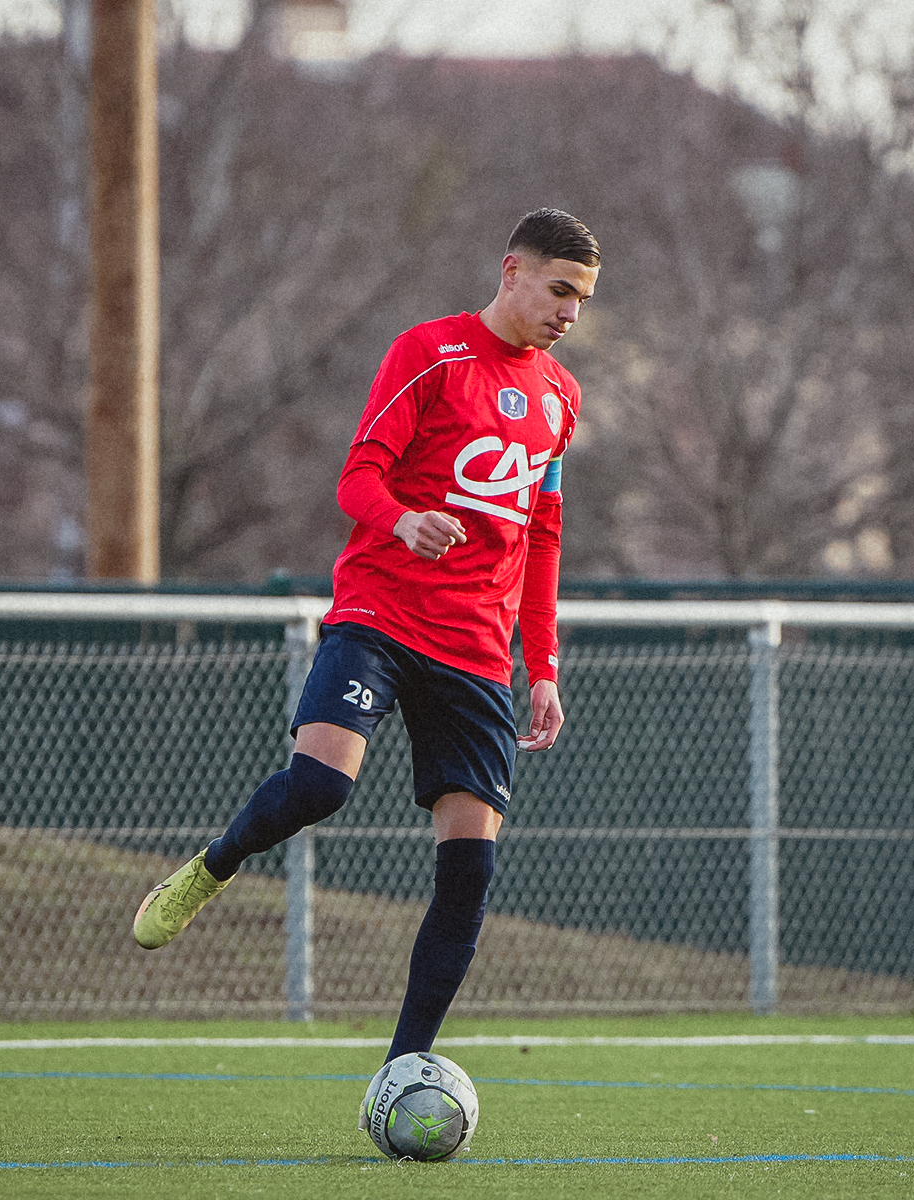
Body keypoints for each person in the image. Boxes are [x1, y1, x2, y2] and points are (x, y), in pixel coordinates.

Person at [132, 207, 599, 1075]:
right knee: (319, 787)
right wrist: (404, 521)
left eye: (584, 299)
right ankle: (213, 865)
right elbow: (356, 478)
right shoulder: (429, 352)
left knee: (469, 877)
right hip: (381, 616)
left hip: (478, 654)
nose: (570, 313)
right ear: (511, 272)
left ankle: (402, 1071)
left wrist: (546, 666)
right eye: (560, 290)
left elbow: (543, 535)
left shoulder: (562, 400)